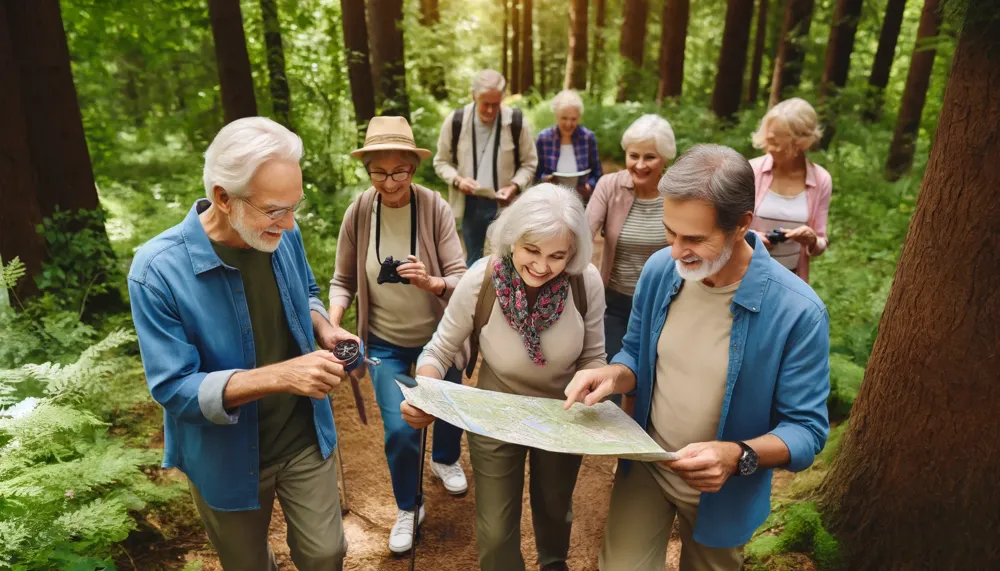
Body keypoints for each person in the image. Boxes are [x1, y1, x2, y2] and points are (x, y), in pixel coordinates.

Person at [565, 144, 830, 571]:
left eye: (694, 238)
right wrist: (615, 374)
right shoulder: (658, 271)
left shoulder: (798, 311)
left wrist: (737, 455)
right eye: (671, 232)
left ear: (742, 224)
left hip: (725, 493)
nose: (676, 251)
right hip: (650, 464)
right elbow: (636, 351)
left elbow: (807, 430)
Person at [128, 117, 350, 570]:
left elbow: (306, 292)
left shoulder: (283, 233)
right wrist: (281, 374)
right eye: (274, 211)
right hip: (223, 455)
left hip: (301, 433)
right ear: (223, 198)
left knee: (326, 552)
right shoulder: (156, 271)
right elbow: (173, 388)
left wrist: (325, 328)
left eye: (295, 207)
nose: (289, 224)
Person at [401, 184, 607, 571]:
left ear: (574, 253)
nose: (543, 266)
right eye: (532, 250)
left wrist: (592, 385)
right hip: (494, 412)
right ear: (512, 239)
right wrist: (424, 394)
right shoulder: (482, 278)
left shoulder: (585, 281)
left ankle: (552, 564)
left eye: (557, 255)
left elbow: (594, 356)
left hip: (562, 413)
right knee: (495, 531)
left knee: (555, 511)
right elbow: (438, 350)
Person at [328, 116, 470, 554]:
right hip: (385, 342)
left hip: (438, 337)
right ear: (367, 167)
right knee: (400, 428)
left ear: (413, 167)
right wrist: (334, 326)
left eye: (399, 171)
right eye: (379, 171)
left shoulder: (434, 208)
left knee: (446, 408)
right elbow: (342, 281)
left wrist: (430, 283)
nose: (389, 182)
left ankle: (445, 458)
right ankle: (409, 506)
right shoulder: (358, 212)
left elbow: (461, 277)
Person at [587, 114, 676, 363]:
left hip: (665, 303)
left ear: (665, 158)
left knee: (653, 377)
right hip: (616, 300)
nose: (640, 165)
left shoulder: (678, 192)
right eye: (633, 156)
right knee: (611, 371)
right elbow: (583, 234)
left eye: (650, 157)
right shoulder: (609, 186)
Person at [433, 69, 538, 267]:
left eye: (496, 104)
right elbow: (440, 162)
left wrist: (515, 186)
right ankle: (476, 297)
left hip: (506, 203)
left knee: (508, 260)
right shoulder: (456, 121)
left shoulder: (516, 122)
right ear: (474, 96)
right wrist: (458, 180)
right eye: (485, 104)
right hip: (469, 203)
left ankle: (506, 297)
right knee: (473, 260)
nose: (490, 110)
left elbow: (529, 163)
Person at [748, 97, 832, 282]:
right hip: (746, 273)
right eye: (768, 140)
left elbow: (820, 242)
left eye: (777, 143)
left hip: (790, 279)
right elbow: (728, 228)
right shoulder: (751, 171)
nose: (769, 148)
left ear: (800, 143)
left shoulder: (821, 180)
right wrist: (750, 237)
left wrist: (811, 239)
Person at [535, 89, 602, 201]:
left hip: (581, 200)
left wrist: (589, 186)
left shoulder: (587, 137)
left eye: (573, 119)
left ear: (579, 117)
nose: (568, 124)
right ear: (556, 116)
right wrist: (546, 180)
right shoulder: (543, 138)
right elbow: (536, 174)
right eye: (564, 118)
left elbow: (597, 173)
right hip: (551, 198)